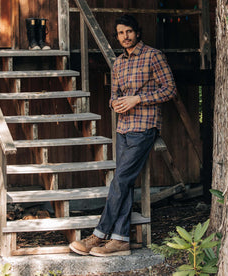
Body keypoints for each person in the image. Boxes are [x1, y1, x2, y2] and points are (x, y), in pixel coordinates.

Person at [69, 14, 177, 257]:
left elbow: (169, 89)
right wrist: (115, 104)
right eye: (120, 33)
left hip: (144, 126)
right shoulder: (118, 63)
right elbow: (114, 95)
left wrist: (138, 98)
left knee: (120, 180)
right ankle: (120, 240)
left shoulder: (153, 55)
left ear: (137, 32)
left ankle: (99, 234)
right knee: (124, 183)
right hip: (123, 128)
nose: (124, 37)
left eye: (128, 31)